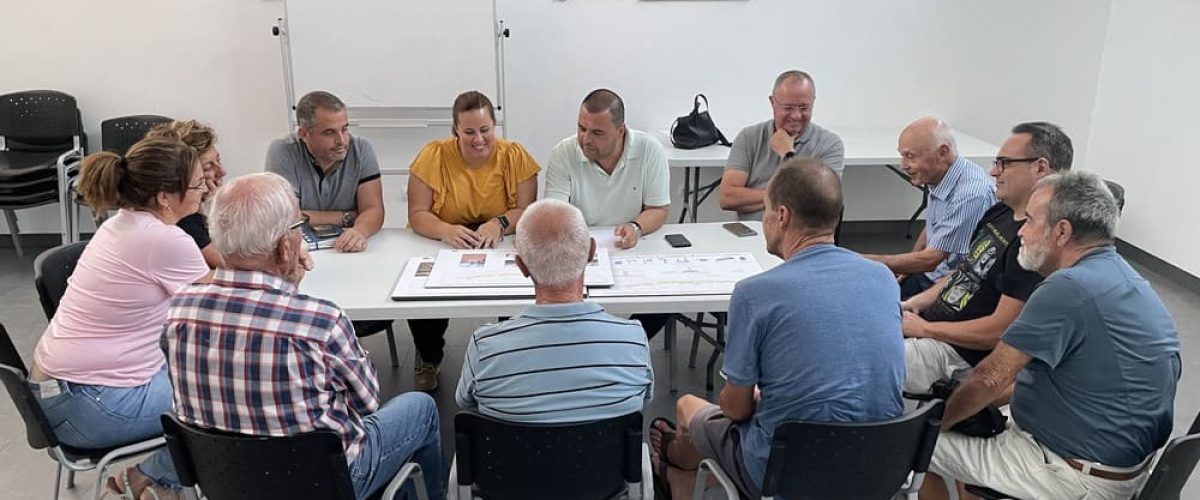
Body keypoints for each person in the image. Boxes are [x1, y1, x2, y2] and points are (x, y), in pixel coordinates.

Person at [163, 173, 445, 500]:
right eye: (298, 227)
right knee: (420, 407)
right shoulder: (320, 322)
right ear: (286, 248)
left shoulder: (179, 310)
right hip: (323, 482)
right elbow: (367, 402)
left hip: (223, 478)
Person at [651, 158, 904, 499]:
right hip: (878, 466)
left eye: (766, 210)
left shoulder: (755, 293)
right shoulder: (883, 279)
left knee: (688, 407)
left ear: (782, 216)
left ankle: (677, 472)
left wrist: (755, 399)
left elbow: (736, 409)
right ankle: (686, 474)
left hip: (786, 471)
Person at [920, 171, 1180, 500]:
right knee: (972, 422)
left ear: (1062, 232)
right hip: (1119, 461)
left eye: (1029, 221)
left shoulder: (1068, 287)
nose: (1022, 232)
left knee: (914, 444)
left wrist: (937, 422)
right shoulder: (1124, 277)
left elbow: (990, 377)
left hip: (1073, 474)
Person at [28, 138, 211, 499]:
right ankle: (149, 474)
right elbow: (222, 310)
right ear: (164, 197)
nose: (205, 188)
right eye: (198, 183)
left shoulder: (121, 224)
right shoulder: (165, 240)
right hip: (90, 406)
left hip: (56, 394)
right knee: (228, 394)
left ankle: (157, 479)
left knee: (201, 370)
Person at [900, 122, 1072, 393]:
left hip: (956, 352)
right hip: (932, 326)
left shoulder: (1035, 244)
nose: (993, 171)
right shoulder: (999, 212)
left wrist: (926, 330)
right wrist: (915, 303)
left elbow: (998, 332)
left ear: (1040, 168)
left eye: (1004, 163)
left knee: (865, 361)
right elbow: (965, 271)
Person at [455, 199, 653, 422]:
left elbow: (466, 402)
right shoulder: (633, 340)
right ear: (591, 252)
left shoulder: (485, 348)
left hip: (512, 456)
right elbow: (642, 399)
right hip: (605, 457)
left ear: (522, 266)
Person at [407, 90, 540, 391]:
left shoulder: (514, 155)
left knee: (517, 290)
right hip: (445, 239)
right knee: (423, 294)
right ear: (455, 131)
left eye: (485, 130)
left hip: (500, 239)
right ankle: (429, 357)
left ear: (495, 127)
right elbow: (417, 213)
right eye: (468, 132)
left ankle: (511, 355)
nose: (478, 139)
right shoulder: (434, 155)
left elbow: (527, 209)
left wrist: (500, 222)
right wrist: (445, 229)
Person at [543, 88, 671, 338]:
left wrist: (636, 227)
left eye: (597, 132)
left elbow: (658, 209)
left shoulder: (649, 150)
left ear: (620, 131)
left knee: (662, 302)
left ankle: (623, 344)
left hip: (631, 248)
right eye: (581, 128)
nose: (586, 139)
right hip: (579, 249)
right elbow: (554, 215)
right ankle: (599, 345)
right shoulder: (563, 153)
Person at [864, 117, 995, 299]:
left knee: (874, 304)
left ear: (942, 152)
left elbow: (931, 259)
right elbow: (932, 229)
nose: (903, 165)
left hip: (951, 287)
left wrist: (864, 261)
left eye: (910, 156)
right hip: (930, 273)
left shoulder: (971, 194)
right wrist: (905, 270)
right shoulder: (941, 176)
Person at [265, 90, 385, 253]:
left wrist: (359, 231)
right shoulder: (283, 151)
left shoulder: (361, 148)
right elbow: (283, 218)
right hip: (300, 249)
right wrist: (346, 217)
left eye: (344, 129)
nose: (341, 141)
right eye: (329, 133)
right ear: (303, 134)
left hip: (346, 248)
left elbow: (374, 209)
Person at [719, 70, 845, 222]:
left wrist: (787, 154)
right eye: (788, 108)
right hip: (753, 235)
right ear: (772, 102)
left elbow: (819, 202)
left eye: (804, 108)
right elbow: (727, 197)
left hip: (803, 239)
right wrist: (787, 196)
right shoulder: (748, 137)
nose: (796, 115)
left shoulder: (830, 145)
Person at [146, 119, 227, 268]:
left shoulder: (188, 211)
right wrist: (218, 209)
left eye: (218, 160)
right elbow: (227, 264)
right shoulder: (180, 220)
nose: (222, 172)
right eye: (208, 166)